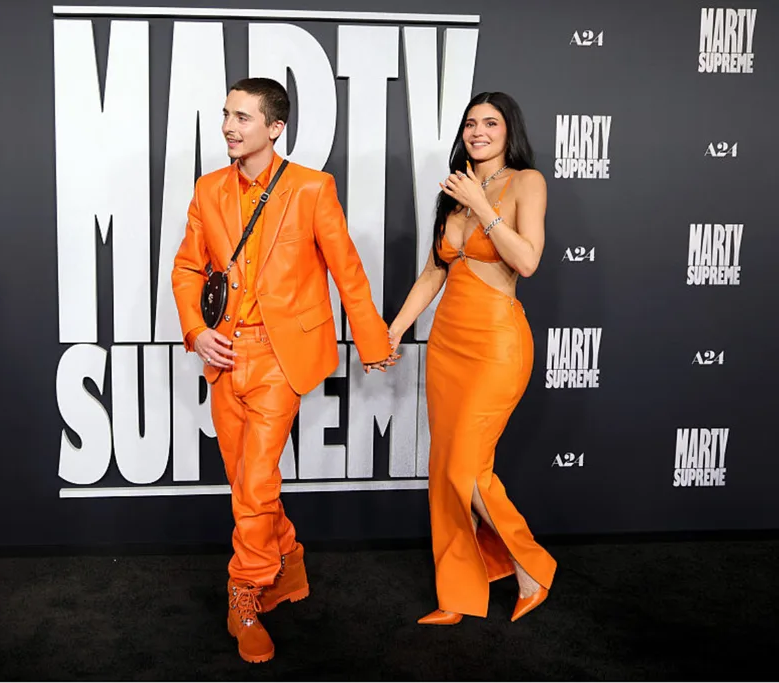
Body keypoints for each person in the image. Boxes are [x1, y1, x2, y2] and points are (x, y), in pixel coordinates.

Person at [171, 77, 395, 663]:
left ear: (275, 128)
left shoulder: (312, 188)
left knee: (254, 482)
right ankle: (288, 563)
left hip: (279, 356)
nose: (228, 126)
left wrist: (371, 340)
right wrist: (196, 331)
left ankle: (244, 594)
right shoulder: (208, 188)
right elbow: (188, 268)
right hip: (224, 355)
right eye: (226, 114)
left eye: (243, 117)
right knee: (247, 481)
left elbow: (346, 269)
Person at [387, 91, 556, 625]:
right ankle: (457, 594)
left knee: (466, 468)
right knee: (444, 470)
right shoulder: (453, 193)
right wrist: (395, 330)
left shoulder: (526, 183)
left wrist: (483, 208)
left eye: (490, 123)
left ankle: (531, 565)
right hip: (447, 346)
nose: (478, 132)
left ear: (509, 131)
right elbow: (434, 272)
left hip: (497, 344)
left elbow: (527, 261)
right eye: (470, 124)